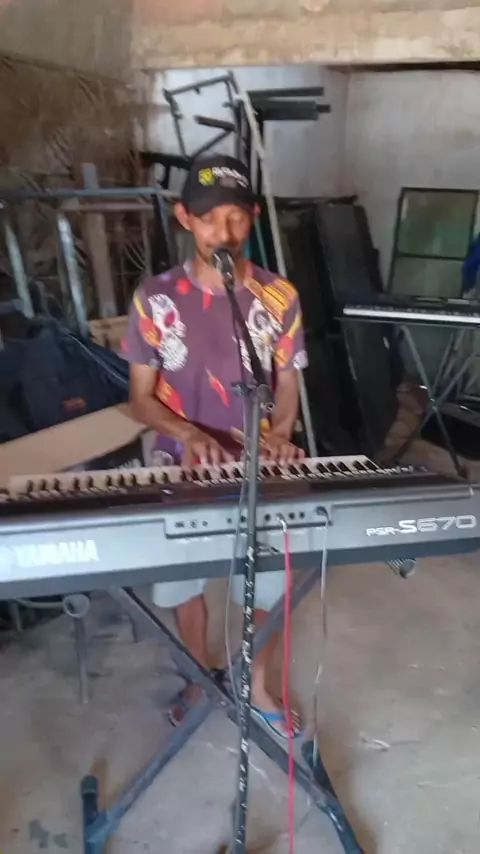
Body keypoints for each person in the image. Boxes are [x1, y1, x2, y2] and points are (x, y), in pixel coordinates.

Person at [122, 154, 308, 737]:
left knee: (271, 579)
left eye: (235, 217)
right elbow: (140, 398)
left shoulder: (279, 296)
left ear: (253, 218)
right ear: (184, 218)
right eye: (208, 219)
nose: (222, 233)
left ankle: (257, 681)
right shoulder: (154, 298)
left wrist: (281, 433)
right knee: (185, 582)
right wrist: (188, 434)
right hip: (180, 466)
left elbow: (287, 383)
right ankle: (200, 677)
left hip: (259, 465)